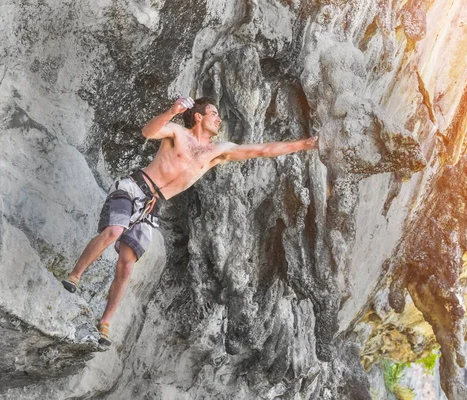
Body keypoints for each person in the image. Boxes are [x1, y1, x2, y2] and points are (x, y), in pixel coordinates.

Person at [62, 96, 319, 346]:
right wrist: (172, 111)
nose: (219, 119)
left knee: (127, 265)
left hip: (153, 205)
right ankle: (75, 275)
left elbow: (261, 150)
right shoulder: (177, 133)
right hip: (134, 187)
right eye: (214, 113)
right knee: (113, 231)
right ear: (198, 117)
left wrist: (305, 144)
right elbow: (148, 132)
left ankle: (105, 322)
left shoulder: (216, 152)